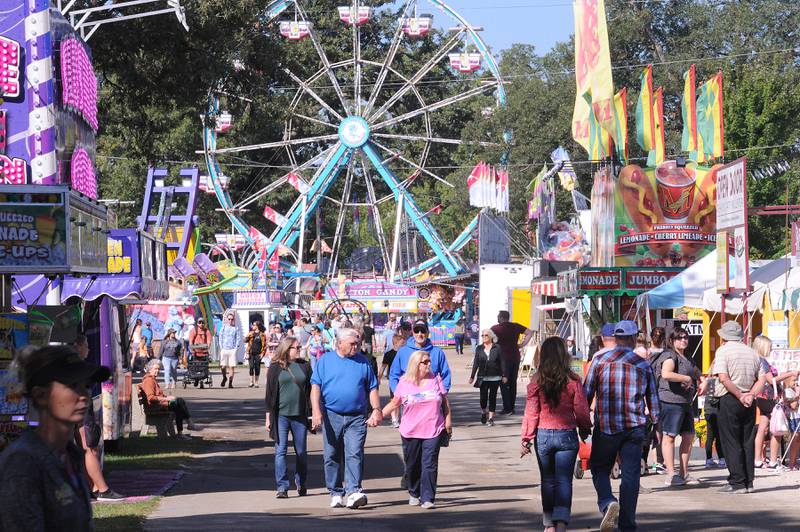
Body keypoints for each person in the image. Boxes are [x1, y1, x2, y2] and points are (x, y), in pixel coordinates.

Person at [0, 345, 111, 531]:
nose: (84, 396)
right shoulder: (23, 462)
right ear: (41, 395)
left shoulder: (70, 456)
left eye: (86, 385)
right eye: (72, 386)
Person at [584, 320, 659, 532]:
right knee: (630, 475)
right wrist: (656, 421)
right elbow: (652, 399)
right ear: (634, 338)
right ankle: (627, 523)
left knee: (599, 469)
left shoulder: (599, 360)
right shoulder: (643, 364)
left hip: (606, 426)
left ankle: (607, 502)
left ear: (615, 338)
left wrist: (582, 421)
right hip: (634, 427)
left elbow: (586, 392)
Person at [521, 337, 592, 532]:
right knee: (563, 480)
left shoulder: (537, 380)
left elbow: (531, 411)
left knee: (547, 480)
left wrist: (526, 438)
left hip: (543, 435)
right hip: (567, 434)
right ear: (564, 355)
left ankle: (548, 524)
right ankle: (561, 521)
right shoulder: (573, 380)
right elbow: (581, 409)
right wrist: (585, 428)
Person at [310, 328, 382, 509]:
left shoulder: (363, 362)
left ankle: (353, 491)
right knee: (332, 454)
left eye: (358, 343)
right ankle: (335, 492)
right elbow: (315, 387)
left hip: (357, 417)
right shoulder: (325, 361)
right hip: (331, 415)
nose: (356, 347)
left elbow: (372, 387)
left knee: (354, 453)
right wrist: (316, 411)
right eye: (352, 344)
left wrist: (376, 409)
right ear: (339, 343)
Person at [382, 349, 452, 509]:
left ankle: (428, 497)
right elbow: (394, 403)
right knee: (412, 464)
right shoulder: (404, 382)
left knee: (429, 464)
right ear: (415, 364)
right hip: (410, 430)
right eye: (425, 362)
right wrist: (377, 416)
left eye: (429, 361)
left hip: (433, 429)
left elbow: (445, 402)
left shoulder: (436, 379)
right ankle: (414, 492)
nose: (429, 364)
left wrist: (448, 421)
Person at [712, 321, 767, 494]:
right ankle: (749, 482)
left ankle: (737, 482)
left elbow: (723, 377)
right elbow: (762, 379)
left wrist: (739, 395)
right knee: (747, 440)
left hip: (730, 398)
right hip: (749, 400)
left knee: (731, 440)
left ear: (724, 336)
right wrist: (750, 394)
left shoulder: (723, 351)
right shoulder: (752, 352)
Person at [72, 336, 124, 501]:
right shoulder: (78, 366)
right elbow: (103, 373)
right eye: (86, 345)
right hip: (81, 412)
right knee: (90, 448)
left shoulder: (66, 365)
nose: (89, 349)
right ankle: (102, 488)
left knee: (84, 449)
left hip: (72, 412)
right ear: (77, 347)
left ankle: (91, 487)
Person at [265, 336, 312, 498]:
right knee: (281, 451)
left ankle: (301, 482)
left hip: (300, 416)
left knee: (301, 452)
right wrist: (268, 417)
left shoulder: (305, 366)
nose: (299, 350)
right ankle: (282, 487)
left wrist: (313, 413)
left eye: (299, 348)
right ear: (286, 349)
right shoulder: (275, 368)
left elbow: (311, 390)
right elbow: (269, 394)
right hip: (281, 416)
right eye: (296, 348)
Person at [656, 327, 701, 486]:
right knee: (669, 437)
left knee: (688, 437)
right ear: (672, 340)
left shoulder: (687, 356)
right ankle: (671, 474)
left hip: (685, 402)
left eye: (686, 337)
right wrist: (686, 377)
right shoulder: (670, 356)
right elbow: (666, 374)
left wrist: (701, 381)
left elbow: (696, 373)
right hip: (670, 401)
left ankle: (684, 473)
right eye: (679, 338)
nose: (683, 340)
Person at [390, 319, 452, 393]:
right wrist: (398, 394)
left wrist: (441, 394)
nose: (419, 334)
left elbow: (446, 374)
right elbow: (394, 375)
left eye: (422, 330)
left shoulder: (437, 352)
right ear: (412, 332)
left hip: (431, 399)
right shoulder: (402, 352)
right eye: (416, 331)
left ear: (428, 332)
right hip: (409, 399)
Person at [491, 310, 533, 415]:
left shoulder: (495, 328)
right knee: (512, 383)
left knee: (504, 383)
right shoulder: (515, 326)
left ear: (501, 317)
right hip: (515, 357)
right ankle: (512, 407)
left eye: (498, 316)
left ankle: (507, 408)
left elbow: (490, 340)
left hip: (502, 359)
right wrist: (522, 344)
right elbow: (530, 332)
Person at [752, 335, 785, 468]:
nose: (771, 349)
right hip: (768, 398)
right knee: (777, 429)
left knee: (762, 428)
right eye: (769, 347)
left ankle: (758, 460)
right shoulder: (762, 362)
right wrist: (789, 374)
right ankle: (772, 461)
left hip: (761, 397)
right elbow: (771, 380)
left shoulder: (755, 360)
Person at [141, 359, 194, 438]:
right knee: (179, 403)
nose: (157, 371)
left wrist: (167, 397)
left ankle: (184, 429)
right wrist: (167, 399)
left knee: (179, 403)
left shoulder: (152, 379)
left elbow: (157, 395)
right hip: (156, 407)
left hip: (160, 404)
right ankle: (188, 424)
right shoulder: (149, 381)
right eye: (155, 369)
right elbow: (151, 398)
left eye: (158, 369)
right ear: (149, 369)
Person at [468, 329, 505, 427]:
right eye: (482, 335)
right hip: (482, 377)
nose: (484, 337)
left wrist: (504, 375)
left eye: (486, 335)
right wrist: (472, 376)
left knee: (492, 397)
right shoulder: (479, 348)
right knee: (483, 398)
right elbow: (476, 363)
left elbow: (502, 362)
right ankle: (484, 412)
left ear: (491, 336)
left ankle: (491, 418)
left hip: (495, 376)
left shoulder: (497, 348)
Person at [698, 372, 726, 469]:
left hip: (708, 411)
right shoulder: (721, 382)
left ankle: (709, 459)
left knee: (710, 435)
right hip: (718, 411)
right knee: (719, 436)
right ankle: (722, 459)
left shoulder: (707, 381)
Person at [380, 334, 405, 428]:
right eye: (402, 343)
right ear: (396, 343)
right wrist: (379, 378)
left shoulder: (404, 353)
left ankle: (404, 418)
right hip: (393, 380)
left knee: (404, 399)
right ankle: (395, 419)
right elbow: (383, 367)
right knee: (394, 399)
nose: (403, 345)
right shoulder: (389, 354)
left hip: (404, 380)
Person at [218, 311, 242, 389]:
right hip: (224, 348)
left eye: (232, 319)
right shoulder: (223, 328)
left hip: (232, 349)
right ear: (226, 319)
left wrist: (236, 348)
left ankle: (230, 382)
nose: (230, 320)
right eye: (229, 319)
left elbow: (238, 338)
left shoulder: (236, 328)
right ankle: (224, 377)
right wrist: (221, 347)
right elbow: (220, 338)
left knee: (231, 367)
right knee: (223, 366)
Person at [189, 317, 212, 388]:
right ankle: (196, 379)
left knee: (203, 367)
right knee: (195, 366)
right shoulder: (194, 330)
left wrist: (207, 347)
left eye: (202, 322)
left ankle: (201, 380)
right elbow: (191, 341)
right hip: (195, 353)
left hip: (204, 353)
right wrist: (192, 349)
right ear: (197, 323)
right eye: (200, 322)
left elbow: (209, 341)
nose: (201, 324)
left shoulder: (206, 331)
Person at [245, 321, 267, 387]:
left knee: (257, 367)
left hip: (258, 353)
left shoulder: (262, 335)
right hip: (251, 353)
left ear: (257, 326)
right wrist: (246, 338)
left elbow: (264, 345)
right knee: (251, 367)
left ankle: (256, 382)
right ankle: (251, 382)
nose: (252, 326)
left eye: (254, 325)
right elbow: (245, 341)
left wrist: (262, 354)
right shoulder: (251, 333)